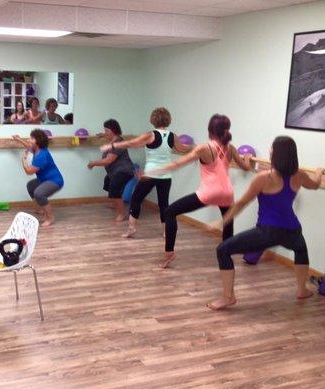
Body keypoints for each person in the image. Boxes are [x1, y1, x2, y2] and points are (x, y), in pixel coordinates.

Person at [207, 136, 325, 310]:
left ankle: (227, 297)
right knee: (300, 250)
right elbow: (315, 185)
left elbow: (241, 203)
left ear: (276, 154)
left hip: (267, 232)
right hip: (292, 230)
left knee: (223, 250)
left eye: (272, 148)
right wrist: (319, 172)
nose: (269, 150)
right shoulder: (299, 175)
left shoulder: (264, 178)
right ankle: (302, 290)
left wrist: (222, 221)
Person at [149, 114, 252, 269]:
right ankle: (225, 257)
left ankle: (169, 253)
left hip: (209, 192)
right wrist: (248, 158)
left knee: (170, 212)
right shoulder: (230, 148)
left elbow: (178, 163)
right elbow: (246, 167)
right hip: (227, 193)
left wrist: (155, 171)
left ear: (210, 130)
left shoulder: (205, 147)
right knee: (228, 222)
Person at [100, 108, 191, 237]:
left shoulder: (151, 135)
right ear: (168, 119)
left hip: (150, 174)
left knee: (136, 199)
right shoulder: (173, 136)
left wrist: (112, 146)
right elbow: (183, 149)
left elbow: (131, 143)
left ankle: (131, 228)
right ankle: (166, 231)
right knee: (163, 203)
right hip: (165, 176)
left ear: (153, 120)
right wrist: (199, 148)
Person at [12, 129, 64, 226]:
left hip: (55, 181)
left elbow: (29, 171)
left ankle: (50, 217)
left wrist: (24, 159)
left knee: (39, 193)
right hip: (44, 180)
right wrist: (18, 139)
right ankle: (40, 208)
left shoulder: (42, 155)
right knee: (31, 186)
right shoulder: (37, 149)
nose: (28, 140)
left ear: (38, 141)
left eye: (32, 138)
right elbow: (28, 146)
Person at [89, 119, 134, 221]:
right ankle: (116, 203)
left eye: (106, 131)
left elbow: (109, 160)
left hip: (125, 171)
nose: (105, 133)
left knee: (114, 189)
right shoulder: (115, 138)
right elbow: (109, 135)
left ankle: (121, 214)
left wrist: (93, 163)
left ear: (113, 131)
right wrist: (102, 134)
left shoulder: (117, 143)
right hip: (114, 172)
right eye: (104, 130)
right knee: (107, 182)